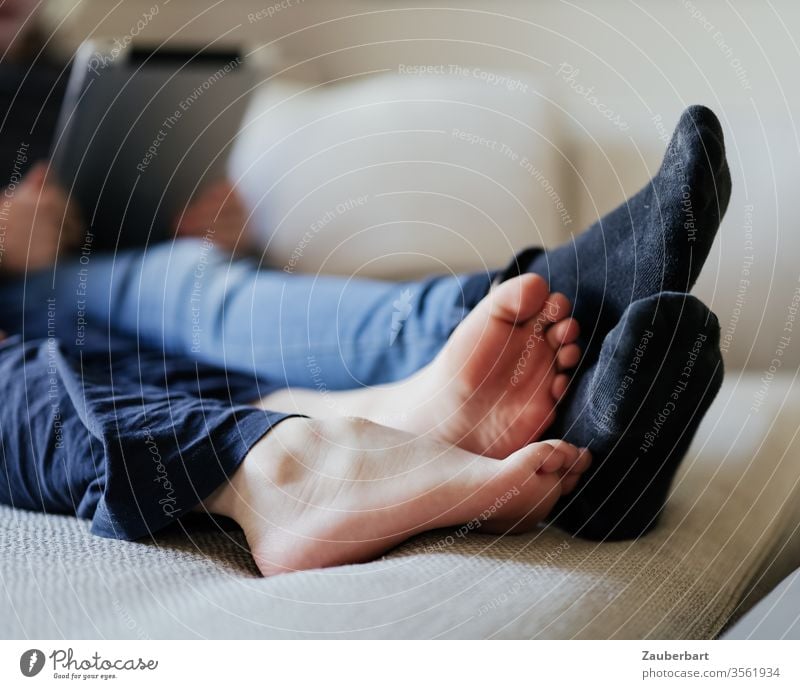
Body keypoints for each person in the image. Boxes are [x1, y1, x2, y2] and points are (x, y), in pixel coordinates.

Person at [0, 99, 729, 574]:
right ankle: (286, 461)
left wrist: (204, 221)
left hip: (83, 278)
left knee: (181, 277)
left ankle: (455, 405)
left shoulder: (60, 67)